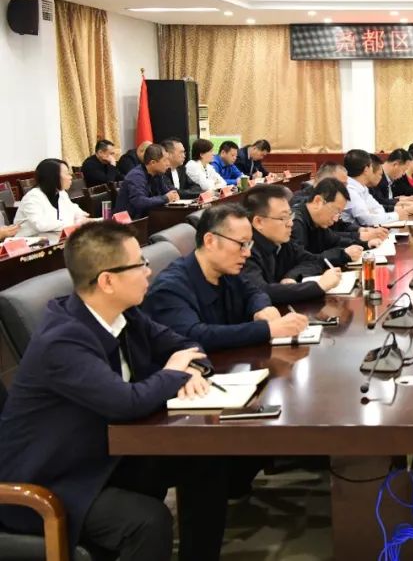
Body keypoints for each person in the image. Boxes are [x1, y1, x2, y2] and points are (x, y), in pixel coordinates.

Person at [0, 221, 231, 561]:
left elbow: (185, 345)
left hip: (104, 456)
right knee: (147, 522)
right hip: (53, 477)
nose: (148, 271)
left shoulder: (126, 314)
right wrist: (173, 373)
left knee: (205, 460)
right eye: (140, 264)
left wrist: (192, 369)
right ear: (107, 281)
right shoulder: (62, 340)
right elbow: (126, 403)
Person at [143, 204, 309, 350]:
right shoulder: (170, 288)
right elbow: (195, 335)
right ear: (210, 241)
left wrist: (262, 308)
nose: (247, 253)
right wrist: (267, 330)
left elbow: (254, 292)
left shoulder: (226, 271)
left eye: (249, 244)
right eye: (242, 244)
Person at [241, 184, 343, 305]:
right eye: (283, 218)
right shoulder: (245, 251)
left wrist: (292, 276)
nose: (290, 223)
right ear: (258, 222)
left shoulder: (281, 241)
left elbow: (313, 260)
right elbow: (261, 292)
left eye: (290, 215)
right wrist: (318, 286)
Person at [291, 178, 372, 267]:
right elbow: (302, 261)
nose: (336, 219)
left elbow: (336, 241)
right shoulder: (294, 224)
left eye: (339, 213)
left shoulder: (318, 221)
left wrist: (366, 244)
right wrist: (342, 255)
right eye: (336, 211)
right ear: (318, 201)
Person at [13, 159, 89, 242]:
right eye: (67, 174)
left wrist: (79, 219)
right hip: (29, 243)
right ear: (53, 177)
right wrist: (74, 223)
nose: (70, 177)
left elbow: (75, 211)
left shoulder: (61, 193)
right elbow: (40, 225)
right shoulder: (32, 197)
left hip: (53, 238)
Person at [341, 150, 413, 226]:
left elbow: (378, 208)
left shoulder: (362, 187)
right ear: (366, 169)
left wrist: (375, 215)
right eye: (371, 166)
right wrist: (397, 215)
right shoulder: (350, 190)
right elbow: (367, 219)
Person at [113, 144, 179, 218]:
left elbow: (166, 192)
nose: (168, 164)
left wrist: (173, 195)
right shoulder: (136, 176)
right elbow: (139, 202)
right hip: (130, 221)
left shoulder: (157, 174)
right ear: (153, 163)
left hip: (147, 217)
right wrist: (166, 198)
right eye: (165, 160)